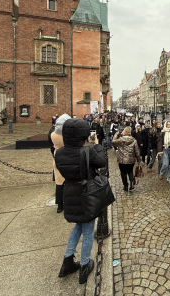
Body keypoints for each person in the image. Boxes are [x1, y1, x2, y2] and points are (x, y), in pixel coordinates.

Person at [55, 118, 108, 284]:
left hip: (70, 193)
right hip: (86, 195)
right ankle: (85, 265)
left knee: (78, 225)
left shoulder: (60, 152)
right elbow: (102, 161)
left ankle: (67, 261)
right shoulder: (86, 151)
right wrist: (97, 145)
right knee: (87, 229)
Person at [51, 113, 72, 213]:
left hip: (57, 157)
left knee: (59, 183)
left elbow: (51, 146)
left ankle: (60, 205)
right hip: (69, 157)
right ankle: (69, 203)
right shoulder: (69, 136)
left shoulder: (52, 134)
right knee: (69, 183)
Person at [112, 126, 140, 192]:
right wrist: (138, 159)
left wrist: (116, 134)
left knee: (123, 172)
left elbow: (113, 142)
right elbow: (136, 151)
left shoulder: (121, 139)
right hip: (131, 159)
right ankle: (132, 184)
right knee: (130, 171)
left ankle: (125, 185)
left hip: (122, 160)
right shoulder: (133, 140)